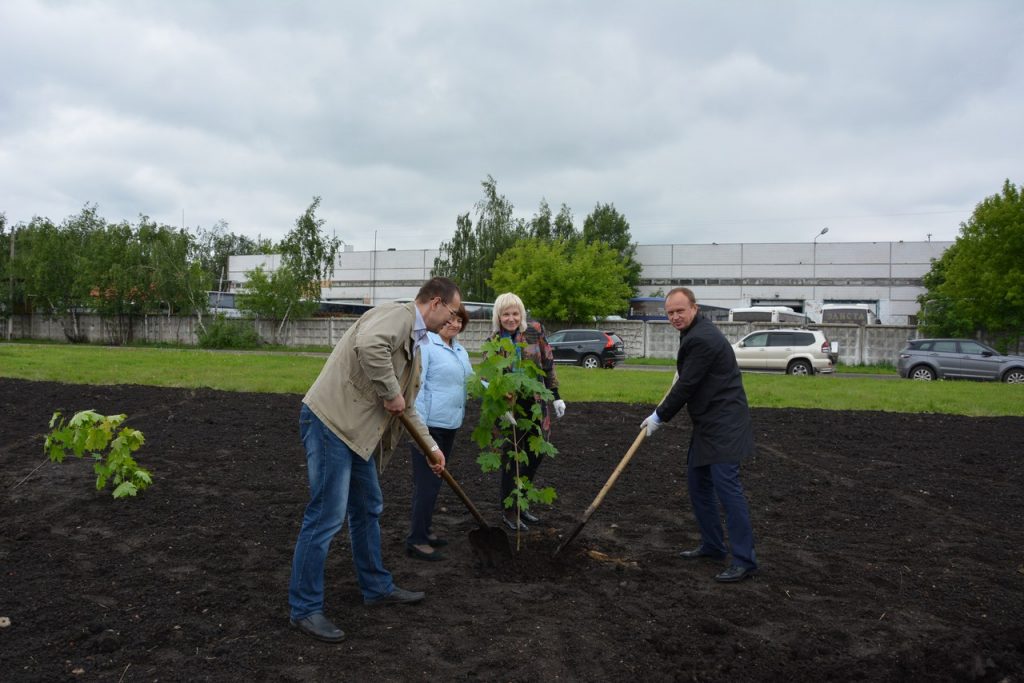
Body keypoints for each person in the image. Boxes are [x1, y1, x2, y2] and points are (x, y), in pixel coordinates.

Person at [288, 277, 461, 642]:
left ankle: (376, 587)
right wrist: (389, 389)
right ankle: (304, 609)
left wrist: (432, 448)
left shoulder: (416, 343)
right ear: (435, 302)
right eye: (452, 310)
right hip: (331, 422)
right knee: (326, 515)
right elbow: (369, 346)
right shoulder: (399, 316)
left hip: (356, 434)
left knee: (368, 508)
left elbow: (406, 407)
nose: (453, 317)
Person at [640, 287, 758, 583]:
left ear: (694, 308)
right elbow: (690, 374)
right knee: (697, 483)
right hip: (707, 423)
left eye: (680, 310)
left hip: (725, 423)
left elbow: (687, 385)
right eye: (670, 313)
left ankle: (744, 560)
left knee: (727, 489)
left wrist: (659, 416)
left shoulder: (703, 337)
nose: (675, 317)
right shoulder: (695, 333)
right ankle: (713, 546)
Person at [488, 292, 566, 532]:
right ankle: (509, 510)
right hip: (510, 409)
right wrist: (501, 408)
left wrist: (556, 397)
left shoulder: (534, 331)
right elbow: (490, 378)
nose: (511, 318)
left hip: (535, 404)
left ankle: (522, 504)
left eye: (515, 313)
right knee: (513, 458)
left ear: (521, 314)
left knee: (536, 453)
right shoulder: (494, 341)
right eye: (505, 314)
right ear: (498, 317)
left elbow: (548, 363)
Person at [405, 303, 473, 561]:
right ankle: (416, 540)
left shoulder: (459, 350)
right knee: (426, 485)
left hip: (450, 424)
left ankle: (425, 530)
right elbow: (417, 387)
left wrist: (498, 391)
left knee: (434, 483)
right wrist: (422, 435)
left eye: (459, 320)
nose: (454, 324)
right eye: (451, 319)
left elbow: (472, 381)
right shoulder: (427, 344)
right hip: (429, 426)